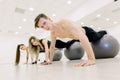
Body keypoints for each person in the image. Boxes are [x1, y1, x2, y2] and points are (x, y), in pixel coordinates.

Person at [34, 13, 107, 67]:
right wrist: (50, 60)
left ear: (49, 19)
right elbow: (52, 47)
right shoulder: (53, 33)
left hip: (88, 33)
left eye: (44, 23)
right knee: (70, 43)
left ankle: (104, 31)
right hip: (77, 39)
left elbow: (83, 36)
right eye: (42, 27)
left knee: (98, 36)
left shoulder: (64, 23)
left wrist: (91, 59)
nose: (45, 27)